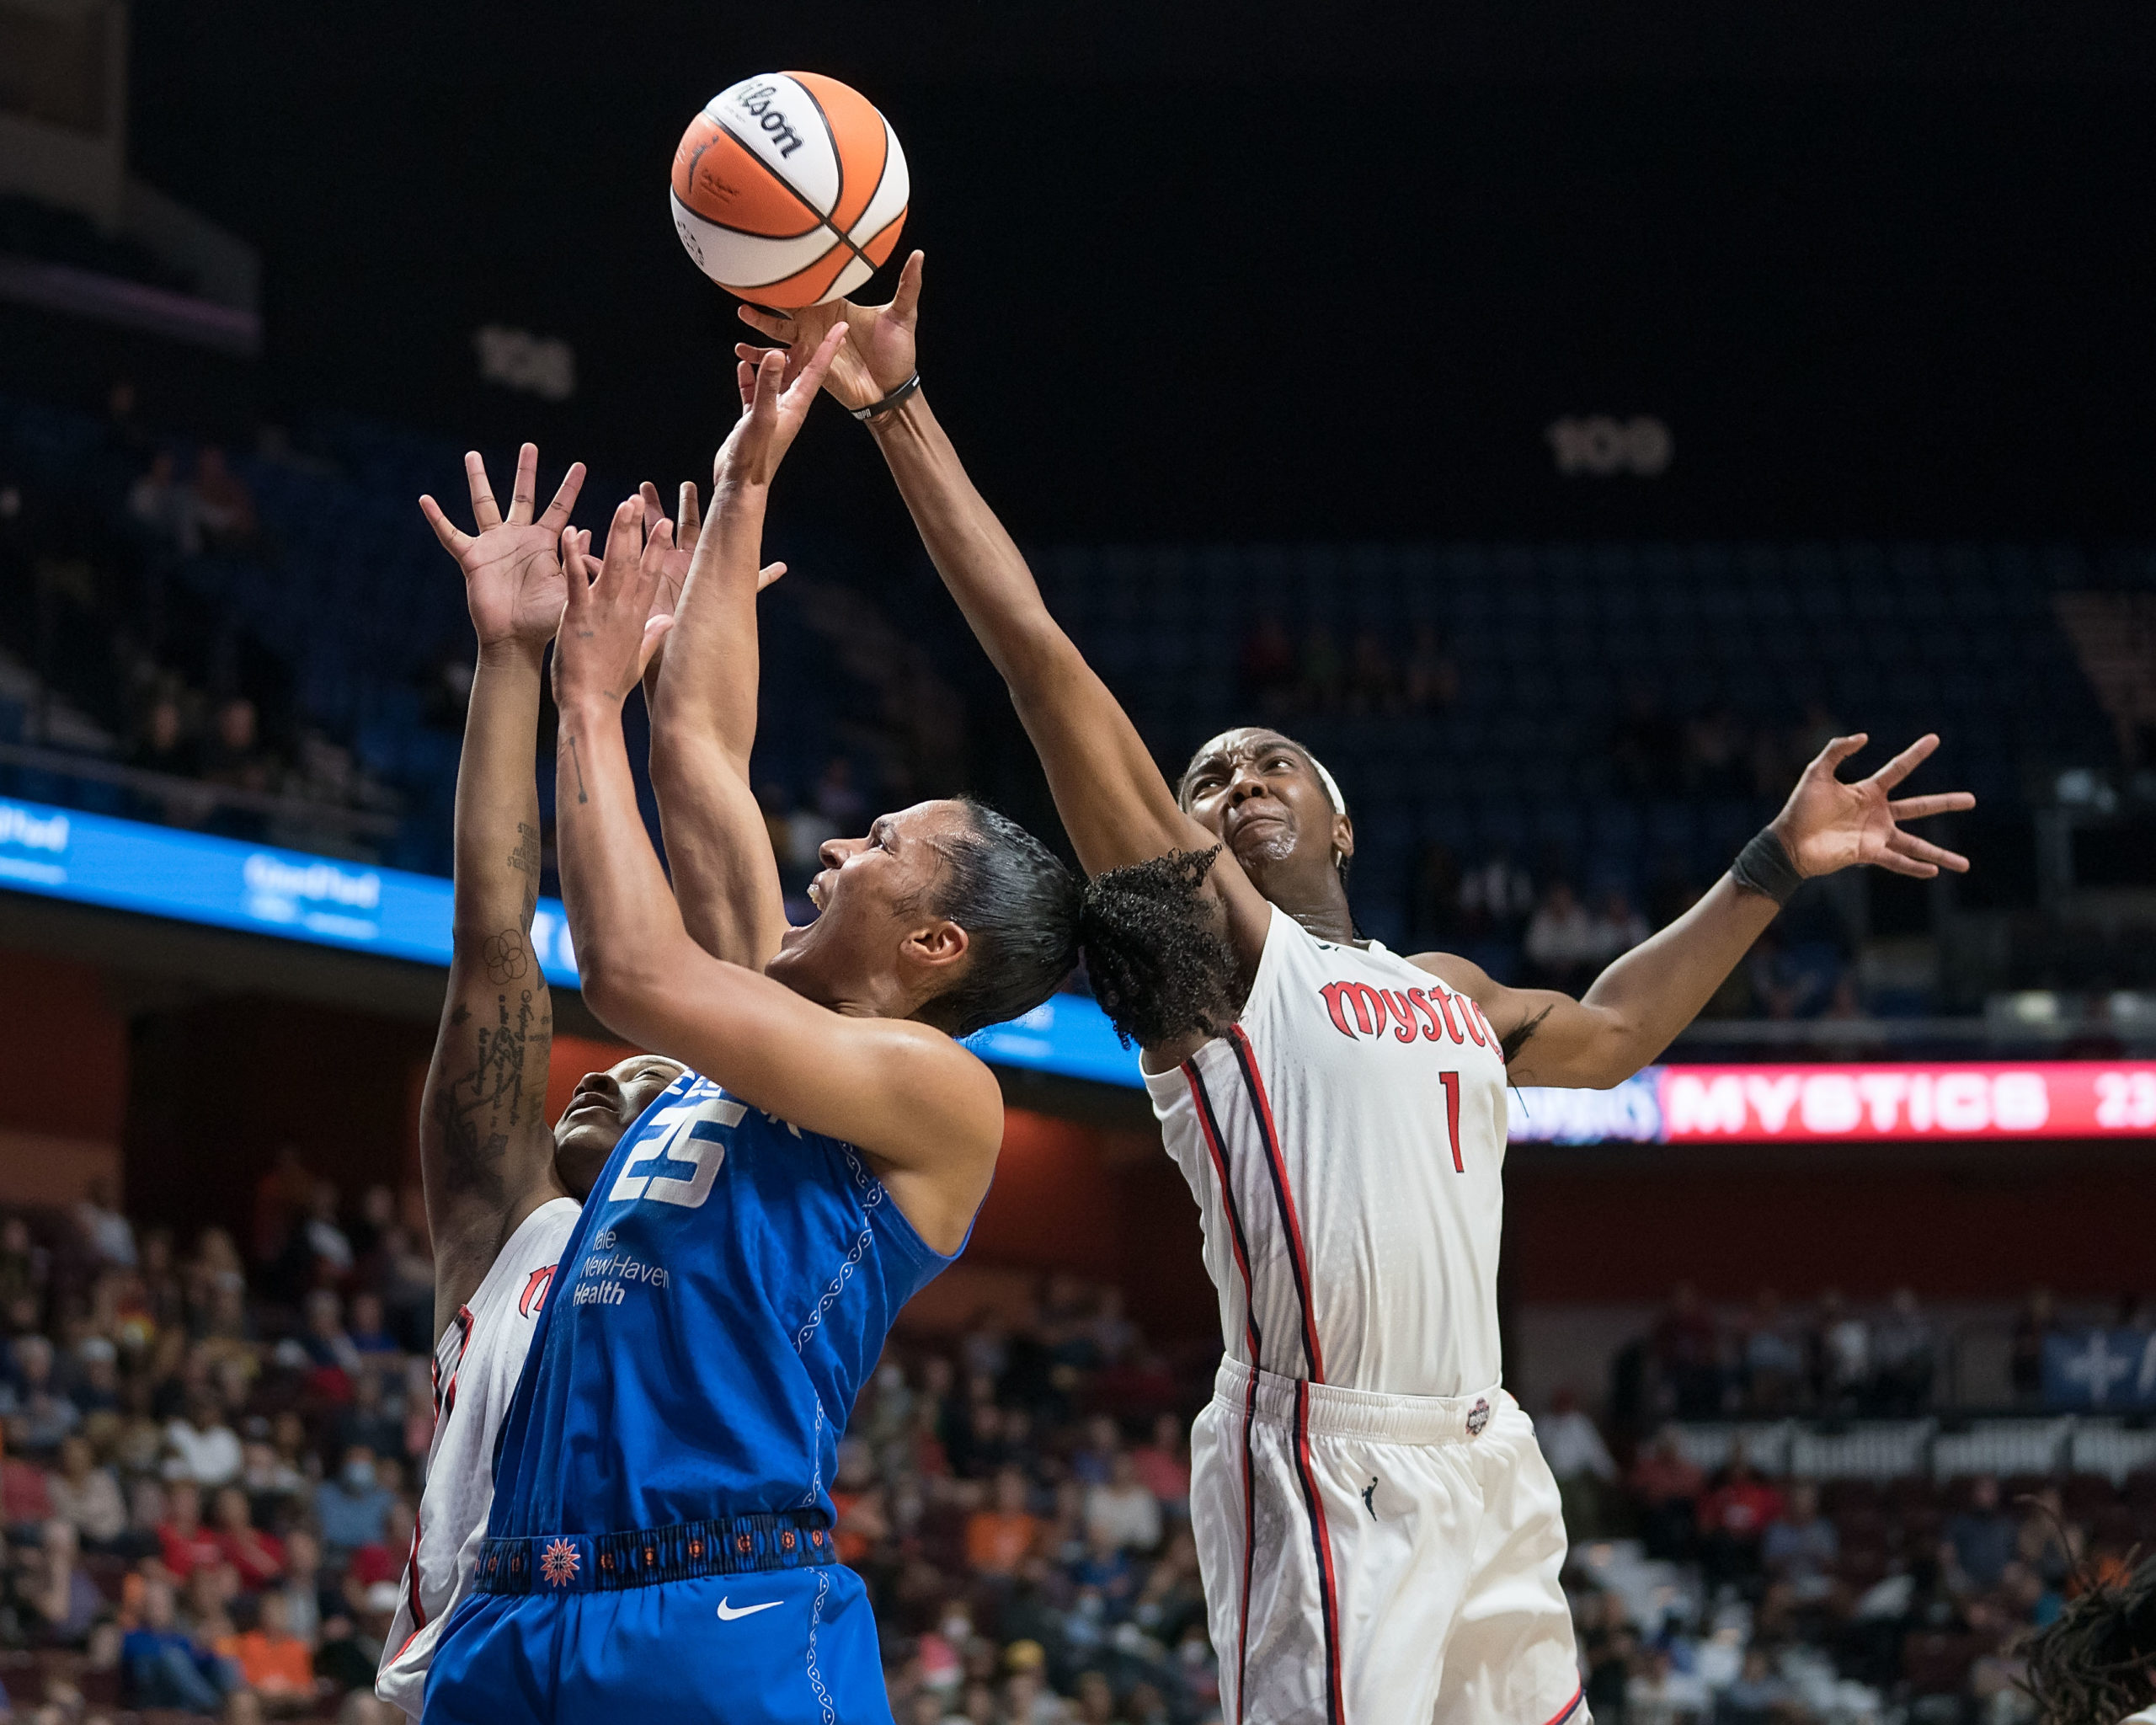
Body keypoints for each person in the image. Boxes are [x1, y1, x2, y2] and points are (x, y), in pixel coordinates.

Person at [739, 251, 1978, 1725]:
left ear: (1342, 825)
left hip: (1491, 1454)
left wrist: (1774, 859)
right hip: (1330, 1462)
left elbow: (1620, 1033)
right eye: (1210, 775)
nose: (1238, 780)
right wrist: (902, 414)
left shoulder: (1442, 984)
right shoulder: (1208, 958)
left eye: (1275, 764)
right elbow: (1042, 661)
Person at [424, 338, 1211, 1723]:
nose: (839, 845)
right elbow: (701, 752)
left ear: (934, 947)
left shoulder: (934, 1092)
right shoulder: (770, 1013)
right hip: (518, 1608)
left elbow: (628, 970)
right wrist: (745, 483)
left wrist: (584, 699)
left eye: (883, 844)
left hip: (715, 1608)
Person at [374, 446, 703, 1719]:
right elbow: (496, 940)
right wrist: (514, 660)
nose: (602, 1079)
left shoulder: (716, 1260)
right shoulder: (510, 1233)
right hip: (461, 1684)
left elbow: (731, 947)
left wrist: (672, 701)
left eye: (645, 1080)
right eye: (605, 1065)